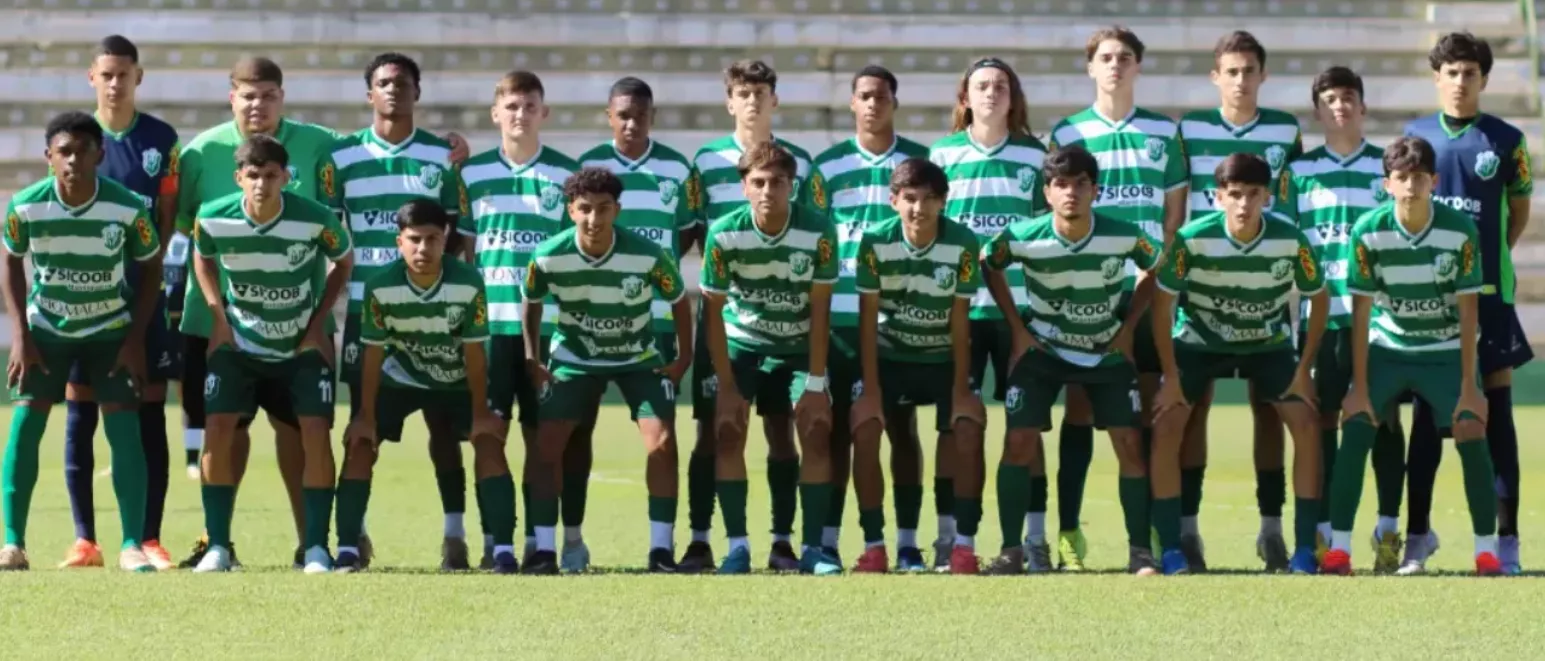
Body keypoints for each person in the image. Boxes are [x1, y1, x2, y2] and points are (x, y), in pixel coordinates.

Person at [174, 57, 347, 570]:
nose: (258, 104)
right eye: (248, 95)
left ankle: (311, 542)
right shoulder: (200, 151)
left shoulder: (319, 143)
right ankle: (217, 542)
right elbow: (191, 230)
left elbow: (373, 155)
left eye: (268, 94)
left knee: (301, 430)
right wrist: (216, 313)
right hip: (222, 324)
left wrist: (451, 148)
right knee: (224, 427)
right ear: (232, 97)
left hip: (300, 325)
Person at [1322, 135, 1502, 577]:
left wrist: (1469, 386)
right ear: (1387, 184)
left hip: (1445, 350)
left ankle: (1487, 553)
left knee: (1470, 426)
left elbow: (1469, 309)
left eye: (1420, 178)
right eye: (1401, 178)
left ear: (1434, 181)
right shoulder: (1368, 230)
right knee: (1357, 422)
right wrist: (1358, 385)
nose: (1411, 187)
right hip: (1389, 348)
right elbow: (1361, 311)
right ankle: (1339, 551)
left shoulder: (1459, 230)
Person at [321, 52, 471, 571]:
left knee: (445, 432)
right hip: (368, 315)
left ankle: (455, 537)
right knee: (363, 429)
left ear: (417, 92)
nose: (393, 90)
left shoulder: (442, 156)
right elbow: (332, 238)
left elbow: (457, 236)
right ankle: (353, 538)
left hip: (436, 316)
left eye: (403, 83)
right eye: (383, 83)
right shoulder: (340, 157)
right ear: (370, 94)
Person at [979, 145, 1160, 575]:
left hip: (1104, 350)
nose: (1071, 193)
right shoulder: (1024, 235)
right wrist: (1018, 328)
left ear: (1095, 191)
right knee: (1018, 442)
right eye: (1061, 184)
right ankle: (1011, 551)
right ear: (1047, 192)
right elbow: (989, 262)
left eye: (1081, 184)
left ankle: (1140, 552)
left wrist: (1128, 328)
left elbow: (1155, 266)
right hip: (1044, 349)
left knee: (1129, 444)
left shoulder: (1124, 234)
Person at [1045, 26, 1188, 570]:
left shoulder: (1163, 132)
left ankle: (1148, 532)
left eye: (1125, 57)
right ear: (1090, 67)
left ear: (1138, 66)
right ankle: (1068, 531)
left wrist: (1155, 278)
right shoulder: (1069, 131)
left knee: (1145, 413)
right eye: (1105, 57)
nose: (1115, 65)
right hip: (1085, 293)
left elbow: (1173, 219)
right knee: (1080, 409)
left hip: (1145, 293)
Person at [1149, 153, 1327, 576]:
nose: (1244, 204)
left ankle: (1302, 548)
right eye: (1234, 194)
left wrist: (1304, 368)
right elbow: (1161, 304)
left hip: (1267, 345)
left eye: (1253, 194)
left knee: (1305, 423)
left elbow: (1319, 297)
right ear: (1218, 197)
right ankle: (1175, 545)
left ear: (1267, 197)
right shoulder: (1192, 239)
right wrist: (1170, 376)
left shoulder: (1291, 239)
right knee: (1169, 422)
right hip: (1200, 343)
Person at [0, 111, 164, 571]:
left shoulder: (127, 207)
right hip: (47, 333)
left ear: (100, 154)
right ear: (48, 157)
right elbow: (10, 261)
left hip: (109, 332)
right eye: (64, 152)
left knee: (123, 429)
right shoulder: (25, 206)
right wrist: (21, 335)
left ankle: (131, 545)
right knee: (25, 425)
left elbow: (151, 265)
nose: (73, 160)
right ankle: (12, 544)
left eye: (83, 151)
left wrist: (134, 339)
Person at [1400, 31, 1532, 575]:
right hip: (1429, 298)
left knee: (1497, 418)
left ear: (1484, 78)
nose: (1460, 81)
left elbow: (1517, 213)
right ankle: (1417, 536)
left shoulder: (1507, 140)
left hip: (1490, 295)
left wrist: (1488, 264)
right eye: (1451, 72)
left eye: (1470, 73)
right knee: (1427, 419)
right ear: (1436, 77)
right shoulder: (1416, 135)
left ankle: (1507, 543)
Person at [520, 167, 693, 574]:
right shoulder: (547, 255)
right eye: (584, 209)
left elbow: (679, 300)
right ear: (570, 210)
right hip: (575, 359)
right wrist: (532, 358)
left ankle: (660, 551)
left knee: (662, 443)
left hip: (637, 358)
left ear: (617, 209)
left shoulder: (649, 254)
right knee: (547, 444)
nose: (593, 218)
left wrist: (683, 357)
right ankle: (544, 550)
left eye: (603, 208)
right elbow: (531, 302)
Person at [1176, 30, 1305, 571]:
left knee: (1270, 408)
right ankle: (1188, 531)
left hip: (1263, 285)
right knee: (1193, 409)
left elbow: (1289, 206)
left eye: (1249, 70)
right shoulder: (1190, 129)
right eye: (1231, 71)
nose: (1241, 79)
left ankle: (1271, 529)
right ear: (1216, 77)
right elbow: (1179, 203)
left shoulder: (1285, 130)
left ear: (1263, 75)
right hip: (1203, 285)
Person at [685, 59, 818, 572]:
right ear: (729, 102)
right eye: (743, 93)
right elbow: (692, 230)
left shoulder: (800, 163)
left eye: (761, 92)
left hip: (786, 323)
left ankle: (784, 543)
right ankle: (702, 539)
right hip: (729, 320)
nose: (753, 101)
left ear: (774, 100)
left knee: (782, 430)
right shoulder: (705, 161)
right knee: (714, 430)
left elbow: (811, 232)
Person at [59, 35, 183, 571]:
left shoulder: (161, 139)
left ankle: (150, 538)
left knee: (150, 408)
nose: (114, 83)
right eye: (106, 74)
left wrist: (148, 274)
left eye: (123, 74)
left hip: (143, 296)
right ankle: (85, 539)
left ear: (138, 77)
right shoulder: (73, 138)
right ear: (92, 77)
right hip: (84, 300)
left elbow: (167, 215)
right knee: (81, 412)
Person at [338, 199, 511, 573]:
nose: (423, 248)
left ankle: (501, 550)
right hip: (401, 378)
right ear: (399, 241)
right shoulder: (380, 285)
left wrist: (481, 413)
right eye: (414, 239)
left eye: (432, 239)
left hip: (458, 381)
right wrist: (365, 415)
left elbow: (475, 352)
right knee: (360, 444)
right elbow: (372, 354)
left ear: (445, 239)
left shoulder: (467, 281)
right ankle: (348, 549)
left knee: (488, 442)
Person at [1281, 66, 1407, 572]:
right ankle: (1327, 532)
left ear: (1363, 105)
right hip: (1323, 320)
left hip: (1380, 323)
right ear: (1317, 110)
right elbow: (1286, 247)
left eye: (1348, 96)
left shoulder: (1388, 168)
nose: (1340, 105)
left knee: (1384, 420)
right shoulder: (1299, 173)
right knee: (1323, 422)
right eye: (1330, 98)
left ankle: (1388, 530)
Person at [572, 76, 699, 572]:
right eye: (622, 115)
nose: (631, 123)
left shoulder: (677, 169)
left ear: (652, 117)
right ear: (609, 116)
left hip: (655, 323)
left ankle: (661, 548)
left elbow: (684, 234)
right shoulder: (589, 166)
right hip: (591, 322)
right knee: (575, 431)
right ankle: (571, 542)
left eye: (640, 115)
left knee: (661, 437)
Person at [928, 56, 1048, 570]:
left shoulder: (1035, 157)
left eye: (1001, 86)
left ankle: (1033, 539)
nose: (992, 93)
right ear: (965, 97)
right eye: (982, 86)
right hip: (960, 312)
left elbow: (1045, 237)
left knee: (1027, 428)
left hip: (1021, 313)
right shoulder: (943, 155)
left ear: (1014, 98)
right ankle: (952, 538)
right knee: (958, 427)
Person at [698, 141, 841, 575]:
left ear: (792, 186)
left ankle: (810, 548)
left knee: (815, 430)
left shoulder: (818, 230)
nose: (767, 191)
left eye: (777, 182)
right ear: (744, 186)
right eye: (758, 182)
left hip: (797, 346)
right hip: (743, 345)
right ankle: (737, 548)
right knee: (727, 430)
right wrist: (726, 385)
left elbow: (821, 309)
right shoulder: (724, 232)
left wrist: (815, 383)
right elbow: (712, 312)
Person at [456, 70, 579, 568]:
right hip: (489, 330)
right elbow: (467, 254)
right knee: (488, 434)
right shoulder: (471, 175)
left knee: (542, 440)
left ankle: (538, 540)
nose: (520, 115)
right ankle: (496, 542)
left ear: (543, 112)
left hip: (545, 331)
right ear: (495, 114)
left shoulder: (567, 176)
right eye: (511, 106)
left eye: (529, 106)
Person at [811, 65, 932, 572]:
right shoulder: (827, 167)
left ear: (894, 102)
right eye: (864, 96)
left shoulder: (919, 161)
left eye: (881, 96)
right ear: (852, 103)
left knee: (901, 428)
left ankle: (907, 543)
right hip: (841, 314)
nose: (873, 104)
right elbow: (817, 238)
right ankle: (829, 542)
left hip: (898, 316)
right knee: (838, 431)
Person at [847, 157, 978, 573]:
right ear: (893, 201)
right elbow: (867, 318)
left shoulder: (963, 242)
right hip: (890, 357)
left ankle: (957, 544)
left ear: (943, 201)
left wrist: (961, 389)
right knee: (869, 429)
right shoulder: (874, 241)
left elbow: (961, 318)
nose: (918, 208)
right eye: (909, 198)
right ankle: (883, 546)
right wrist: (869, 390)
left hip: (942, 358)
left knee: (965, 429)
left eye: (928, 198)